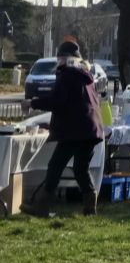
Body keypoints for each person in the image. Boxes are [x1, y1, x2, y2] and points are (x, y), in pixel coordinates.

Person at [20, 41, 104, 217]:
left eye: (59, 58)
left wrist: (32, 103)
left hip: (75, 130)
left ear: (64, 58)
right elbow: (76, 103)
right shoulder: (85, 75)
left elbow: (57, 101)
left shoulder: (66, 74)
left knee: (55, 166)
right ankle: (90, 208)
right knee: (81, 169)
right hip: (91, 128)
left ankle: (41, 206)